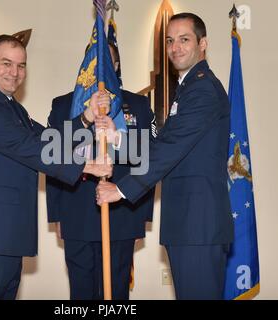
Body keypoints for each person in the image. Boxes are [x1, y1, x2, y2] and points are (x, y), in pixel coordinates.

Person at [0, 34, 112, 300]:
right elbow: (28, 148)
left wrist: (87, 117)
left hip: (4, 241)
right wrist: (87, 165)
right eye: (6, 63)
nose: (15, 72)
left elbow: (48, 140)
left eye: (21, 65)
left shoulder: (11, 107)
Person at [96, 13, 234, 300]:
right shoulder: (187, 88)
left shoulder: (202, 89)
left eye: (184, 40)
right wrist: (117, 136)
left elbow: (169, 149)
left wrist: (120, 189)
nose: (175, 48)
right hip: (187, 225)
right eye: (170, 41)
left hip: (198, 226)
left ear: (203, 43)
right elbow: (163, 142)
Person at [45, 43, 156, 300]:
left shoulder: (138, 105)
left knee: (116, 291)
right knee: (81, 293)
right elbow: (51, 159)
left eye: (109, 62)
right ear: (87, 66)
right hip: (77, 212)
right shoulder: (63, 105)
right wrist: (57, 216)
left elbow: (151, 157)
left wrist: (143, 216)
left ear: (116, 66)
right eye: (96, 62)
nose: (103, 69)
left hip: (123, 212)